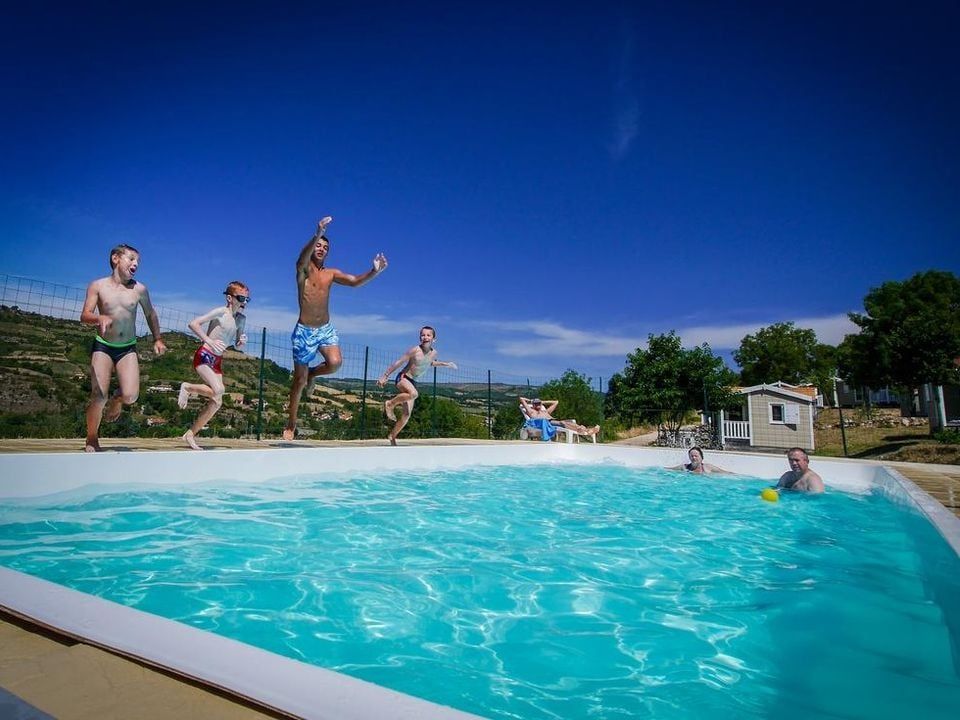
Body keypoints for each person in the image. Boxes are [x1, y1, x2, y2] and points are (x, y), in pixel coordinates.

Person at [283, 216, 388, 440]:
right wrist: (318, 233)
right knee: (298, 382)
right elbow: (302, 258)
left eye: (325, 247)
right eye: (319, 245)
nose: (321, 248)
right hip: (304, 331)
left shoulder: (330, 273)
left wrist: (374, 271)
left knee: (335, 363)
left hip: (325, 329)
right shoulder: (303, 269)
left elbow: (354, 281)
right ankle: (291, 422)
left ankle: (312, 374)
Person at [80, 243, 166, 452]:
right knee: (99, 397)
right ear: (116, 259)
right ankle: (92, 438)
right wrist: (98, 317)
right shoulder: (98, 286)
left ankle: (117, 400)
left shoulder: (139, 290)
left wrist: (157, 338)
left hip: (127, 348)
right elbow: (85, 315)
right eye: (131, 259)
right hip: (103, 346)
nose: (135, 264)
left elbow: (150, 314)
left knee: (131, 396)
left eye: (138, 262)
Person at [177, 282, 250, 450]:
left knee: (217, 402)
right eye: (241, 298)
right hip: (204, 355)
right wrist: (208, 340)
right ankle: (187, 388)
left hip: (217, 361)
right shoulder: (220, 312)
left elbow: (237, 345)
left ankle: (190, 434)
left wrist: (241, 343)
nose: (244, 302)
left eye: (247, 299)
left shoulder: (241, 319)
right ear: (230, 298)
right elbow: (194, 324)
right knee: (219, 390)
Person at [377, 326, 457, 445]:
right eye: (423, 335)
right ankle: (390, 404)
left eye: (428, 335)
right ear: (420, 337)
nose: (425, 337)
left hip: (413, 382)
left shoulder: (434, 353)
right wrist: (385, 375)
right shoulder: (414, 350)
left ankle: (392, 436)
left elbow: (430, 363)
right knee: (413, 394)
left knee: (406, 415)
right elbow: (399, 362)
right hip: (403, 378)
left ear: (434, 339)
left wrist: (445, 364)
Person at [519, 396, 600, 440]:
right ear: (533, 405)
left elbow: (556, 402)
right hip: (545, 423)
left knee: (569, 422)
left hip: (553, 421)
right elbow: (521, 399)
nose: (538, 405)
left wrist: (543, 401)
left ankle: (585, 430)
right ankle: (584, 430)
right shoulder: (531, 411)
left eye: (539, 403)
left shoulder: (546, 412)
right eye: (536, 404)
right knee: (563, 423)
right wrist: (530, 400)